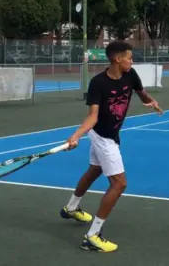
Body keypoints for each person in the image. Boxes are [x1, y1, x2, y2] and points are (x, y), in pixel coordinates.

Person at [59, 40, 163, 253]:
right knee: (119, 184)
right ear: (118, 59)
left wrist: (150, 101)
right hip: (103, 136)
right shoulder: (98, 83)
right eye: (129, 57)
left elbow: (140, 91)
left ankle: (70, 207)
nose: (132, 60)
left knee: (95, 169)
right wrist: (76, 135)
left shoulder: (130, 74)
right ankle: (93, 236)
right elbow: (93, 116)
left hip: (112, 134)